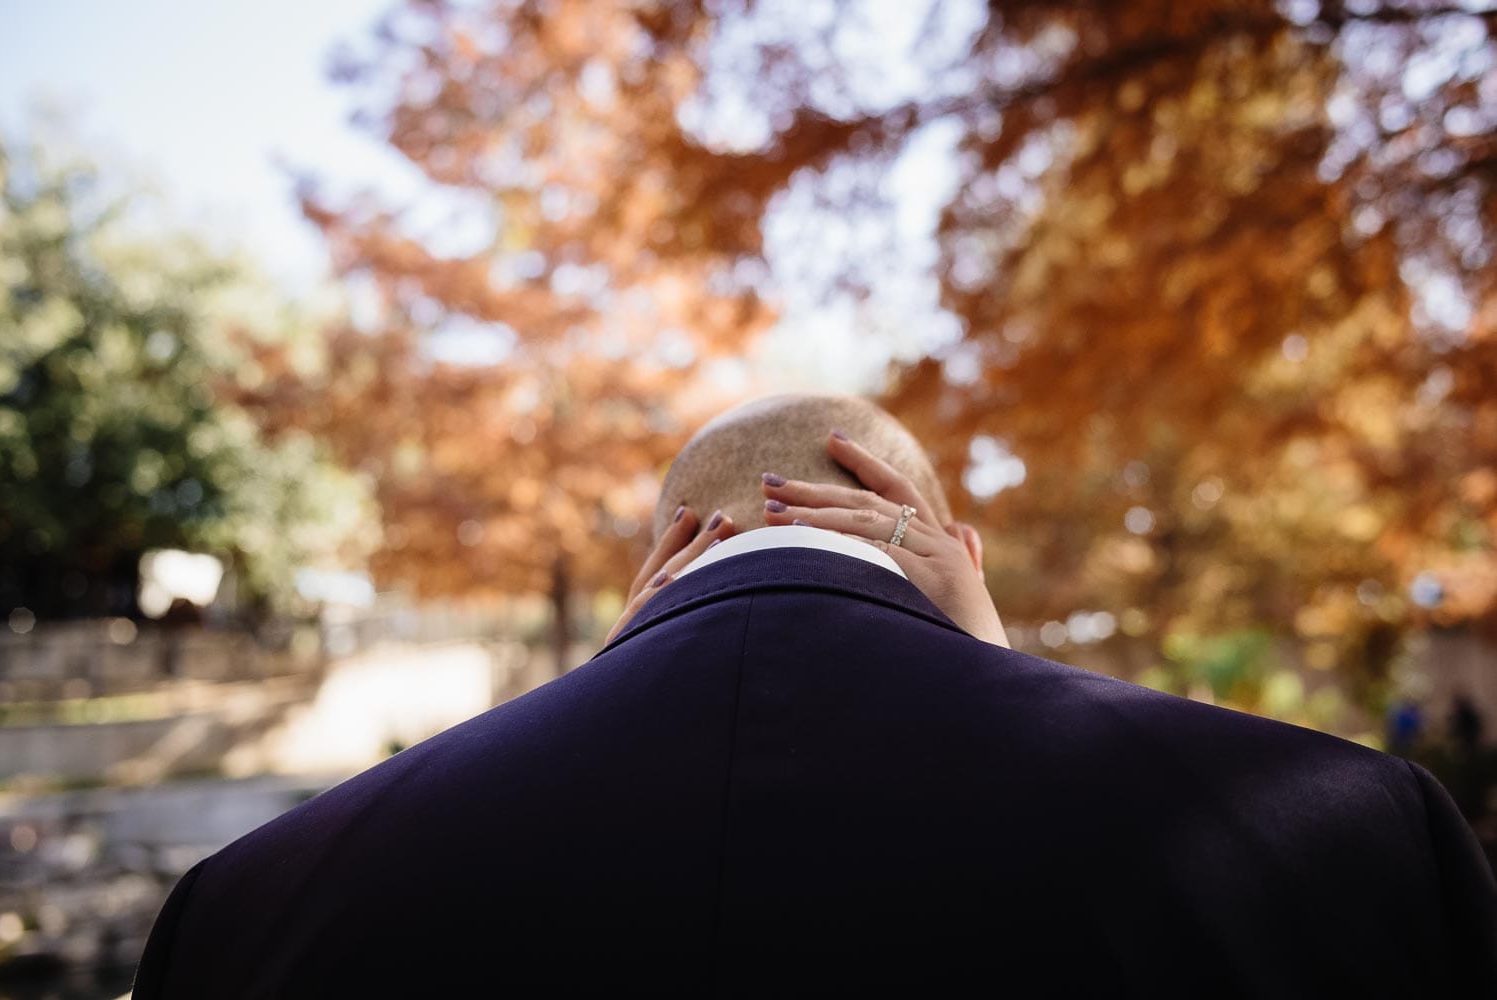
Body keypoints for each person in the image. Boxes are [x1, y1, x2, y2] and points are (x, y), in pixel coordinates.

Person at [133, 393, 1496, 997]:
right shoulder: (1354, 833)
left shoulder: (252, 902)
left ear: (660, 566)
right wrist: (1006, 673)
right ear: (957, 555)